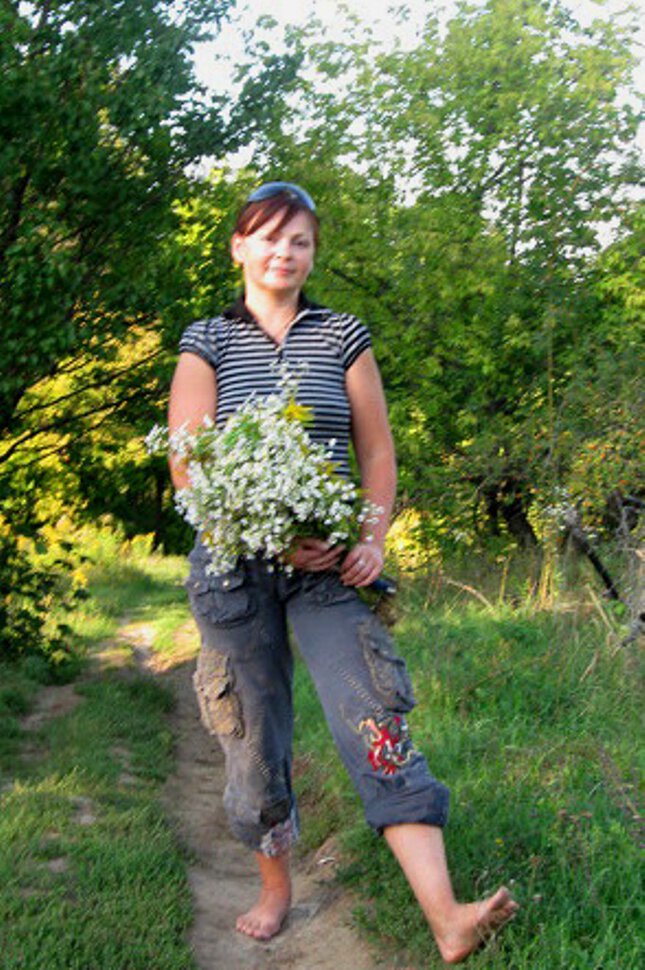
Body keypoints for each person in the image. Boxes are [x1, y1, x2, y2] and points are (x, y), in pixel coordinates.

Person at [167, 181, 518, 963]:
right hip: (234, 568)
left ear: (313, 254)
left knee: (373, 713)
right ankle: (273, 887)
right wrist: (265, 536)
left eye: (300, 242)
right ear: (239, 247)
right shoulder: (207, 341)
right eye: (268, 238)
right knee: (256, 739)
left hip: (328, 569)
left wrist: (370, 537)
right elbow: (188, 467)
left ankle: (445, 915)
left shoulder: (341, 336)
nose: (284, 253)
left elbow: (377, 450)